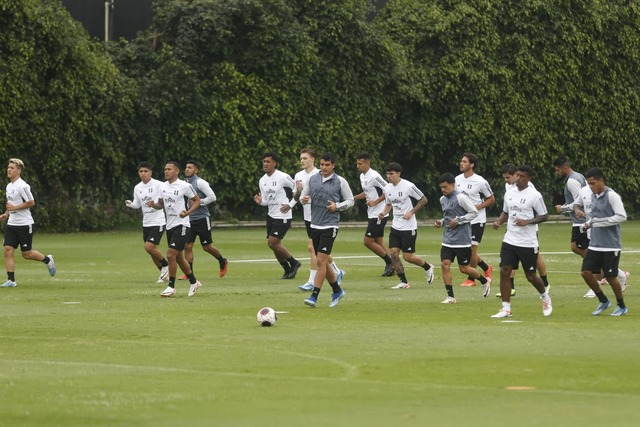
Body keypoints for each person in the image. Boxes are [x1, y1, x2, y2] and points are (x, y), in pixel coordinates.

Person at [491, 165, 552, 318]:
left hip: (527, 242)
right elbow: (506, 212)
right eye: (517, 175)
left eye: (522, 176)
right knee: (504, 271)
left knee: (530, 276)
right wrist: (499, 221)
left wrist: (528, 222)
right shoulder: (509, 193)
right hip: (510, 239)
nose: (518, 179)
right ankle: (506, 309)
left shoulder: (535, 195)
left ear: (528, 178)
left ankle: (545, 296)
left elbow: (544, 216)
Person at [300, 152, 354, 307]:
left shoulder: (340, 181)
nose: (323, 167)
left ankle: (314, 296)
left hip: (330, 225)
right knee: (322, 261)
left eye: (327, 165)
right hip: (314, 224)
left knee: (321, 261)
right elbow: (303, 197)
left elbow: (350, 201)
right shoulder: (313, 179)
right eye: (322, 164)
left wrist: (338, 206)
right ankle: (337, 290)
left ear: (333, 165)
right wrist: (302, 199)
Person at [576, 168, 629, 315]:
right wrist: (588, 224)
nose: (591, 187)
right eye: (588, 184)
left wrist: (598, 222)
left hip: (610, 246)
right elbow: (595, 217)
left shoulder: (612, 196)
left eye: (593, 183)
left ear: (601, 181)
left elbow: (621, 216)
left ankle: (622, 305)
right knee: (586, 273)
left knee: (611, 277)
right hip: (594, 245)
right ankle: (604, 301)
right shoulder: (594, 196)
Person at [148, 161, 202, 297]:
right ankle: (194, 281)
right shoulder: (162, 186)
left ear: (177, 171)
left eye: (169, 169)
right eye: (165, 169)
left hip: (182, 224)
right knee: (178, 258)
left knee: (170, 254)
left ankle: (171, 286)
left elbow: (197, 200)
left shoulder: (185, 186)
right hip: (170, 225)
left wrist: (188, 212)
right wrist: (153, 204)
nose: (166, 171)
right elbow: (161, 204)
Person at [294, 149, 344, 292]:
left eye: (305, 158)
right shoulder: (298, 175)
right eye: (301, 158)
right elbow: (297, 197)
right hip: (308, 217)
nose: (302, 161)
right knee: (319, 252)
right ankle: (336, 271)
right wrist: (300, 194)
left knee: (313, 249)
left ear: (313, 159)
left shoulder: (320, 174)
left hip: (323, 219)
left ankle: (312, 281)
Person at [378, 162, 435, 289]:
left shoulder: (409, 186)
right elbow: (388, 204)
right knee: (393, 254)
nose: (389, 176)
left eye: (391, 174)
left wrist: (411, 212)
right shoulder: (387, 188)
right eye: (387, 174)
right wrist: (383, 213)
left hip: (409, 227)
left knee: (408, 257)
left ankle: (427, 266)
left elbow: (423, 199)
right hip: (396, 226)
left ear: (399, 173)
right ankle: (403, 282)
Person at [434, 173, 490, 304]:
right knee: (444, 265)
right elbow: (448, 216)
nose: (443, 189)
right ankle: (451, 297)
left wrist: (458, 221)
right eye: (441, 187)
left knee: (464, 269)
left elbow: (474, 213)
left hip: (462, 240)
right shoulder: (442, 199)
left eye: (445, 187)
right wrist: (441, 222)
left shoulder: (461, 198)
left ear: (452, 185)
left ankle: (484, 280)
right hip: (447, 239)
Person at [0, 158, 56, 288]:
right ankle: (11, 280)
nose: (9, 169)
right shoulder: (9, 186)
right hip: (11, 224)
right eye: (8, 167)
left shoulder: (23, 186)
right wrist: (6, 213)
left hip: (25, 224)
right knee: (8, 250)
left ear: (19, 171)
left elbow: (31, 202)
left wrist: (13, 208)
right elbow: (11, 204)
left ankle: (48, 260)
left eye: (12, 168)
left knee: (27, 254)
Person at [176, 160, 228, 280]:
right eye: (186, 167)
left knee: (207, 247)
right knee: (187, 246)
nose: (187, 169)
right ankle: (189, 273)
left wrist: (199, 203)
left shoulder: (200, 183)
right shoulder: (184, 183)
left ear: (196, 170)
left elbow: (212, 197)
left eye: (190, 167)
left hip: (202, 218)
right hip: (189, 219)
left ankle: (222, 261)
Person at [253, 152, 301, 279]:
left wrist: (290, 205)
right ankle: (287, 270)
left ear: (275, 163)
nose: (265, 164)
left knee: (273, 242)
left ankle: (294, 262)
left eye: (268, 162)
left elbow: (297, 191)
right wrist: (260, 202)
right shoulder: (262, 180)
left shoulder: (283, 177)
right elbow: (266, 201)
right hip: (271, 215)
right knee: (273, 244)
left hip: (283, 215)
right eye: (264, 161)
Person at [125, 161, 170, 284]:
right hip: (146, 223)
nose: (143, 174)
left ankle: (166, 265)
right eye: (141, 171)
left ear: (151, 172)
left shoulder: (159, 185)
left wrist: (154, 204)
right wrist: (131, 204)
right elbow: (137, 204)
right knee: (150, 250)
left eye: (146, 171)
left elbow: (162, 204)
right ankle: (163, 274)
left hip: (158, 221)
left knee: (149, 246)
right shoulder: (137, 187)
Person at [455, 152, 494, 287]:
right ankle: (486, 267)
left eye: (464, 162)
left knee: (471, 251)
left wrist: (476, 207)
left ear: (471, 165)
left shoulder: (481, 181)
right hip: (464, 220)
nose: (461, 163)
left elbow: (491, 199)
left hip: (477, 220)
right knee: (469, 251)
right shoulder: (457, 180)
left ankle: (471, 280)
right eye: (461, 161)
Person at [354, 152, 394, 277]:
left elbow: (388, 190)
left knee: (368, 241)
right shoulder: (362, 176)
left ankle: (389, 262)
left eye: (360, 164)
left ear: (367, 163)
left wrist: (375, 202)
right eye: (357, 164)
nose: (358, 166)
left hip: (379, 214)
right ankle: (395, 265)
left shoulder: (374, 176)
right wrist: (353, 198)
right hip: (372, 213)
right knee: (379, 241)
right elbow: (366, 193)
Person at [553, 155, 588, 258]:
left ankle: (600, 269)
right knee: (575, 246)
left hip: (582, 220)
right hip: (581, 219)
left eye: (558, 170)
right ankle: (601, 268)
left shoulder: (572, 181)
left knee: (578, 247)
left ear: (565, 168)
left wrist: (562, 208)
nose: (557, 173)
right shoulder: (579, 175)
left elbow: (579, 203)